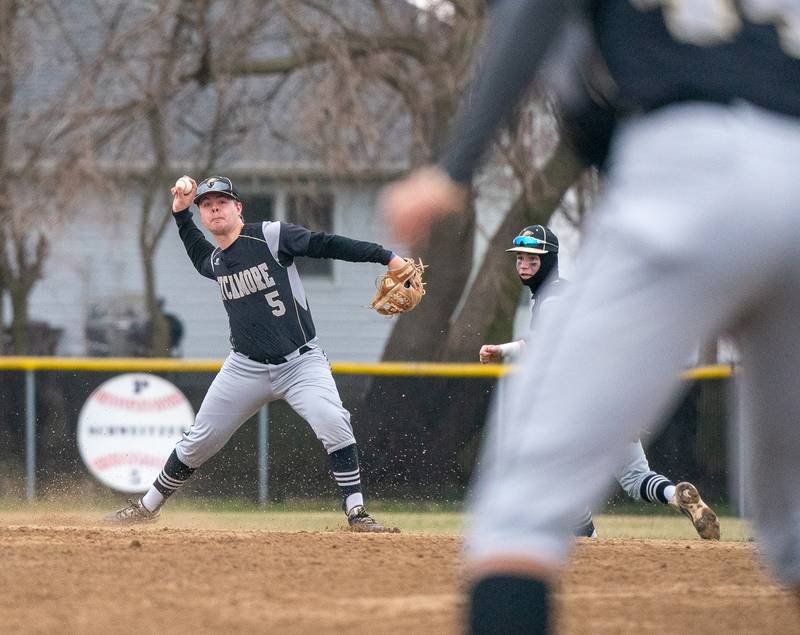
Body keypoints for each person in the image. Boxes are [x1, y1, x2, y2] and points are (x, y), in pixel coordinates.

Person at [382, 1, 800, 632]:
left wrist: (453, 170)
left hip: (686, 160)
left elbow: (533, 22)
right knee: (791, 522)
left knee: (519, 512)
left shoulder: (556, 294)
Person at [106, 175, 406, 532]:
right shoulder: (216, 260)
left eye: (221, 201)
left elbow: (325, 244)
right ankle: (146, 507)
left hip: (300, 362)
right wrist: (180, 213)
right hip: (244, 368)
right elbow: (197, 253)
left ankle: (357, 514)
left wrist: (386, 256)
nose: (214, 208)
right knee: (198, 441)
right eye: (207, 204)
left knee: (333, 421)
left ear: (238, 208)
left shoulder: (270, 235)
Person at [480, 224, 719, 540]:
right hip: (616, 393)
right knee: (636, 479)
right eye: (520, 258)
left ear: (549, 260)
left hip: (586, 400)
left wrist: (504, 350)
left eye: (532, 259)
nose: (524, 265)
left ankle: (588, 541)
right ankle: (675, 495)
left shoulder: (551, 300)